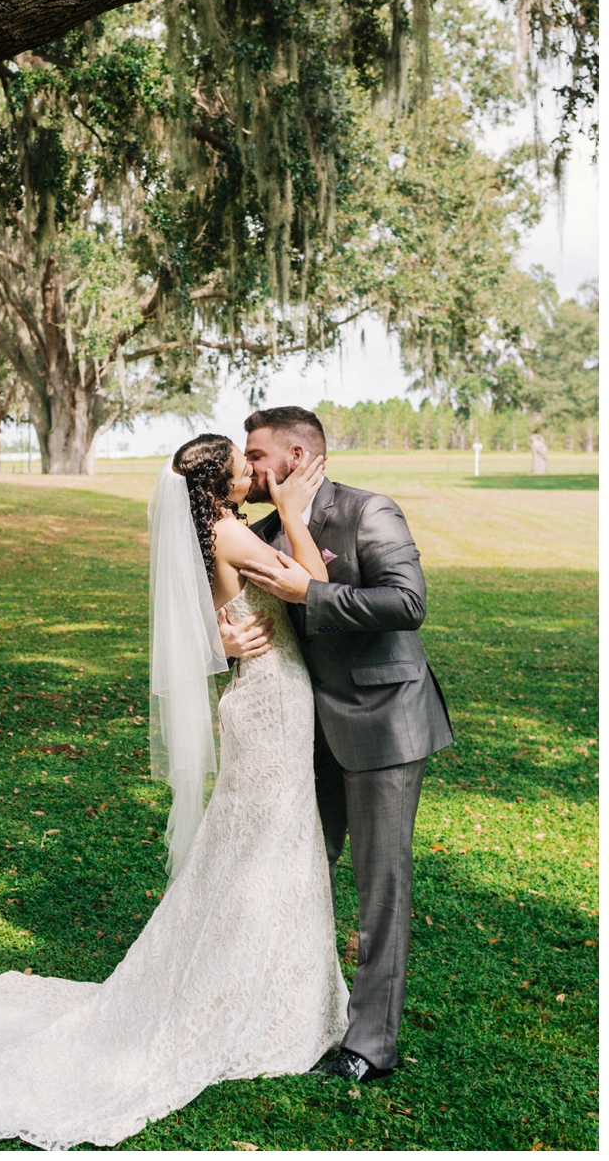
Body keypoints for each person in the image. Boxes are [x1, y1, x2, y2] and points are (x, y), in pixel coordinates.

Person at [0, 433, 349, 1150]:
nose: (257, 472)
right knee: (270, 845)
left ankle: (271, 983)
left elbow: (206, 622)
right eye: (246, 467)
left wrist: (224, 634)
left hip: (260, 700)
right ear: (222, 483)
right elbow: (313, 584)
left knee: (258, 845)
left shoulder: (207, 530)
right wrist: (291, 506)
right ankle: (263, 1001)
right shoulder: (234, 534)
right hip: (275, 703)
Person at [219, 406, 454, 1084]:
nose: (249, 467)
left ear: (297, 455)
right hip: (303, 733)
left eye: (258, 455)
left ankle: (371, 1048)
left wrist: (312, 592)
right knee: (297, 873)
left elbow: (406, 603)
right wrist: (223, 642)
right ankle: (296, 1016)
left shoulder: (368, 511)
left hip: (385, 721)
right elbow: (222, 617)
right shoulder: (256, 531)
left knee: (379, 887)